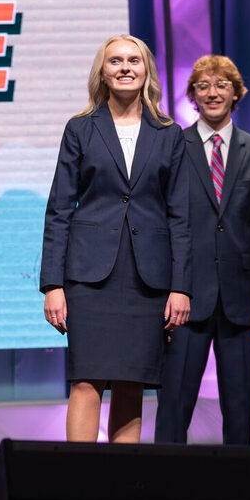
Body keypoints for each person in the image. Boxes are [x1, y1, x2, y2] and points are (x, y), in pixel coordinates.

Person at [40, 35, 191, 443]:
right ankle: (80, 479)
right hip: (89, 279)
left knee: (131, 383)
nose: (125, 67)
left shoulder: (169, 134)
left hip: (147, 280)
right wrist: (53, 284)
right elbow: (59, 209)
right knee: (86, 381)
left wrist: (181, 287)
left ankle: (122, 480)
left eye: (133, 61)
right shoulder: (80, 129)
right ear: (103, 73)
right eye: (115, 61)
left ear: (147, 71)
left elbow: (180, 217)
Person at [155, 55, 250, 445]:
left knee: (240, 410)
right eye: (203, 86)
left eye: (221, 85)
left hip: (241, 301)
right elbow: (161, 225)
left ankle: (240, 484)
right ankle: (163, 482)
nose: (212, 93)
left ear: (235, 94)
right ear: (193, 95)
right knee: (174, 406)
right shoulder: (173, 146)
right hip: (184, 300)